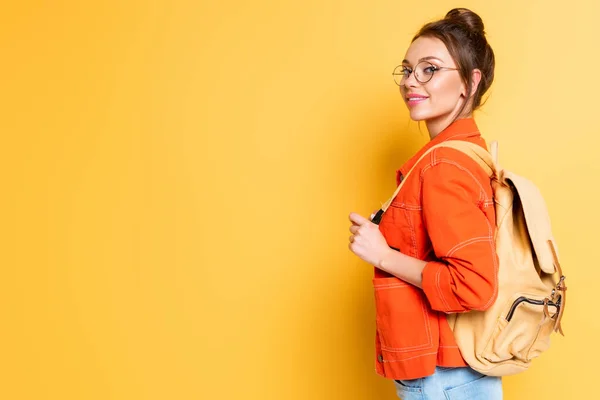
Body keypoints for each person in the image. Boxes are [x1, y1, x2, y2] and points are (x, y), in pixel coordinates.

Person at [348, 8, 503, 400]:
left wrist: (382, 255)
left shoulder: (442, 164)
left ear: (470, 82)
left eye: (430, 69)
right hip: (458, 370)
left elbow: (474, 286)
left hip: (442, 376)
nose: (411, 82)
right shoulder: (468, 153)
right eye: (408, 69)